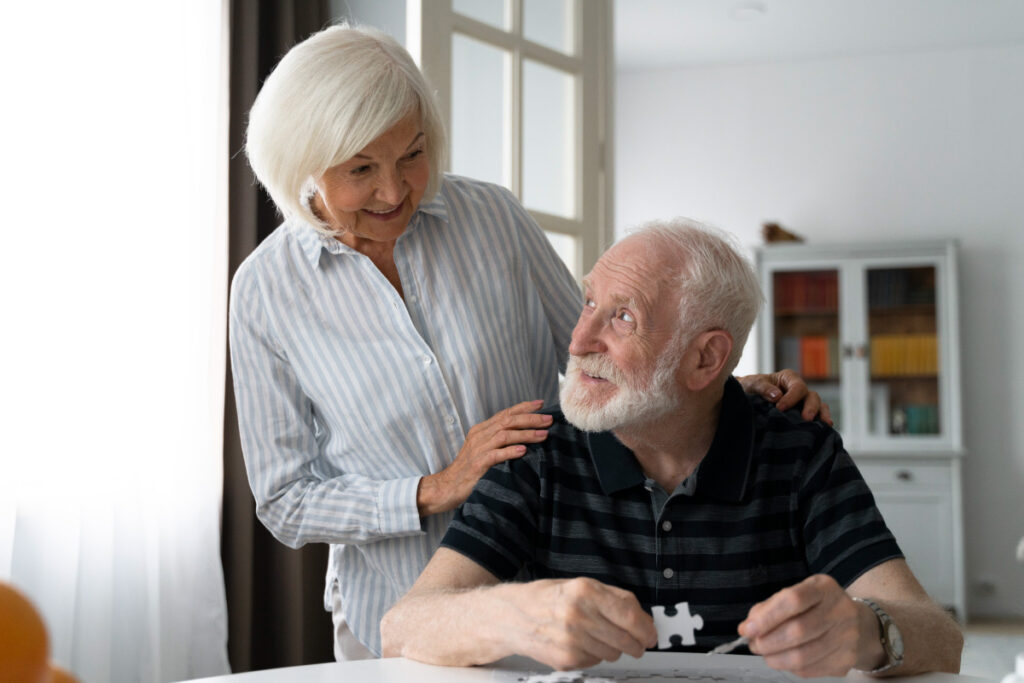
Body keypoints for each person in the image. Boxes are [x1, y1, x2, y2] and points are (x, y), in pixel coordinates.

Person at [230, 24, 826, 660]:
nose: (395, 190)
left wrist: (714, 387)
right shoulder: (265, 292)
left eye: (413, 153)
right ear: (302, 165)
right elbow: (286, 499)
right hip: (397, 614)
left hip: (550, 598)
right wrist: (434, 487)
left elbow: (605, 360)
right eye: (360, 170)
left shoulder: (492, 219)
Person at [381, 219, 963, 677]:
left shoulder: (800, 448)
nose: (579, 340)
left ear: (706, 359)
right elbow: (403, 627)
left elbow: (941, 638)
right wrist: (512, 615)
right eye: (589, 302)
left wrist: (864, 632)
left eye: (623, 316)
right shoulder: (538, 448)